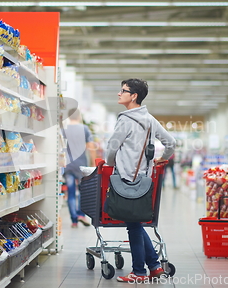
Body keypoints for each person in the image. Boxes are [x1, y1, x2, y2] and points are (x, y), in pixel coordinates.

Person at [106, 79, 176, 282]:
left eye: (123, 91)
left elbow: (112, 147)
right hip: (144, 181)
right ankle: (153, 266)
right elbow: (171, 142)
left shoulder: (126, 119)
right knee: (135, 223)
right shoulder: (150, 119)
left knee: (133, 225)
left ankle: (139, 272)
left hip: (126, 179)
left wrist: (110, 164)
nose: (119, 94)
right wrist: (164, 158)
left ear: (133, 96)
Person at [63, 108, 96, 228]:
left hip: (68, 165)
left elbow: (60, 148)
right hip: (82, 165)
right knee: (83, 191)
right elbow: (91, 146)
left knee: (71, 193)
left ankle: (74, 220)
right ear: (79, 116)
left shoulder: (63, 130)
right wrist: (94, 163)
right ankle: (82, 215)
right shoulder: (85, 129)